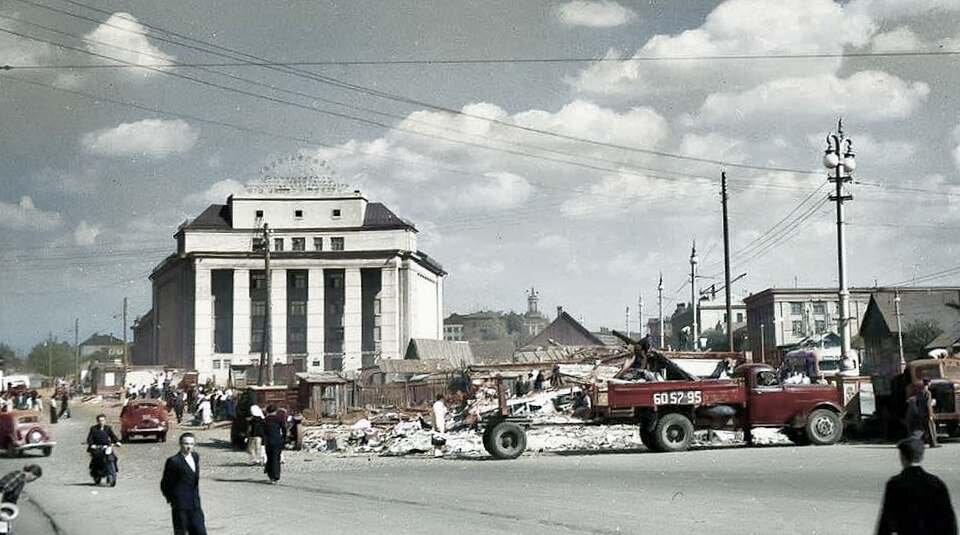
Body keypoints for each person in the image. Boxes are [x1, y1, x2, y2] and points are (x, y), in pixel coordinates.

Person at [876, 436, 956, 535]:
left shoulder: (895, 484)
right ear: (921, 456)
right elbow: (949, 520)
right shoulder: (936, 483)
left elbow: (885, 522)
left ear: (902, 457)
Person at [161, 433, 207, 535]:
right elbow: (165, 483)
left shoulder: (195, 457)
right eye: (186, 443)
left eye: (191, 444)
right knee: (181, 532)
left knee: (200, 531)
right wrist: (173, 500)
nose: (189, 447)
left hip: (195, 504)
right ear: (180, 444)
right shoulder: (174, 461)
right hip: (180, 506)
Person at [262, 405, 286, 484]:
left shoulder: (265, 420)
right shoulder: (279, 419)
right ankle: (276, 476)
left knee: (270, 458)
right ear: (275, 411)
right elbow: (284, 429)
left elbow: (263, 431)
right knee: (276, 458)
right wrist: (284, 438)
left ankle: (271, 476)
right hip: (278, 440)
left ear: (267, 411)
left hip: (268, 441)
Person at [432, 393, 448, 458]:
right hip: (439, 422)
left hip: (439, 422)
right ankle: (437, 452)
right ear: (442, 398)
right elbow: (435, 415)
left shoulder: (438, 405)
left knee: (439, 437)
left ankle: (439, 451)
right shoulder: (438, 405)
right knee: (438, 437)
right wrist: (435, 424)